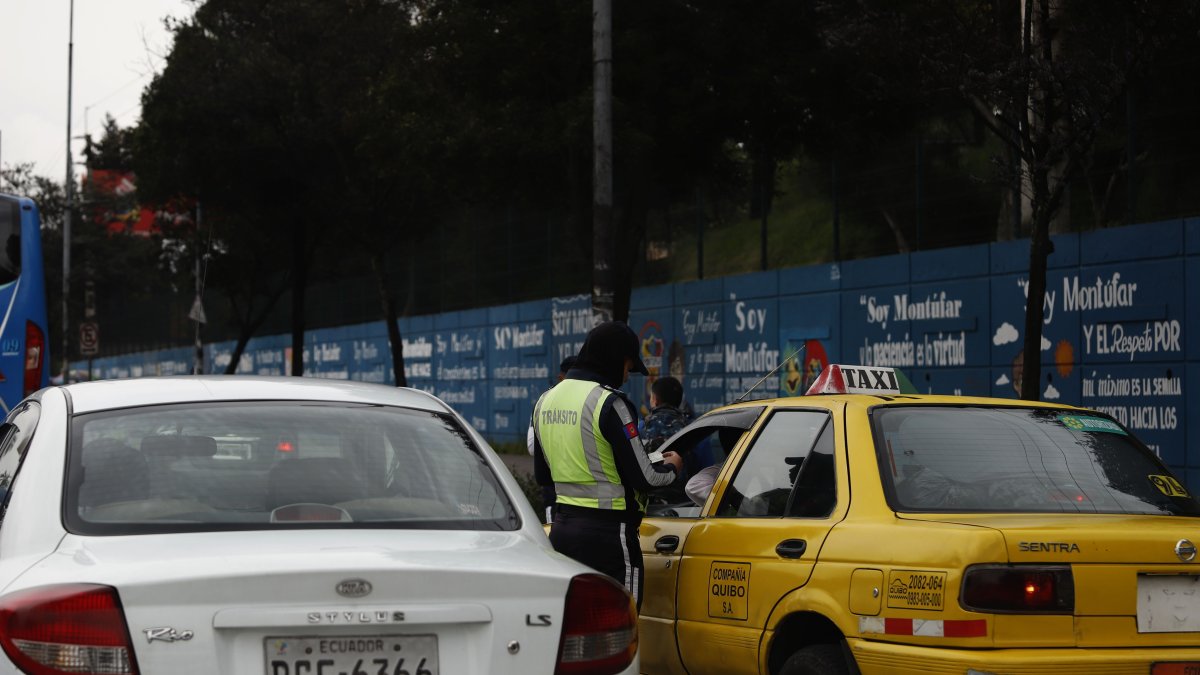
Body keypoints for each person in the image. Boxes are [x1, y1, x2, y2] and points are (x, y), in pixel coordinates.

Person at [531, 321, 683, 609]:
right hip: (609, 539)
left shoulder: (545, 401)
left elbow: (543, 476)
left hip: (562, 531)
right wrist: (673, 466)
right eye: (627, 366)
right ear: (615, 360)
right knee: (621, 626)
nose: (626, 376)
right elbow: (646, 478)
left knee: (576, 626)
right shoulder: (609, 402)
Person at [528, 354, 580, 524]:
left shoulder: (545, 402)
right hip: (585, 496)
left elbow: (532, 447)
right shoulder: (593, 400)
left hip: (554, 486)